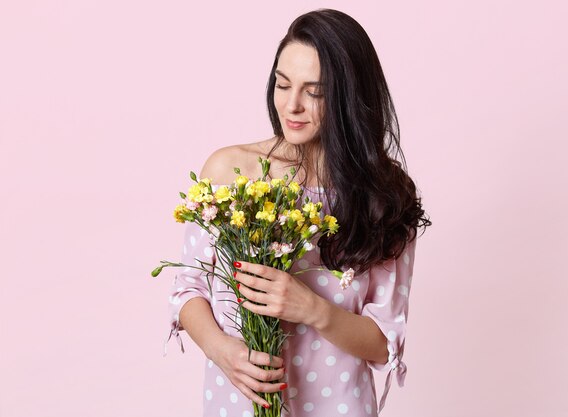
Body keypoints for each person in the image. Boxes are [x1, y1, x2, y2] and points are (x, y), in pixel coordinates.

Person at [164, 8, 431, 417]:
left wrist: (311, 308)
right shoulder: (231, 172)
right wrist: (224, 352)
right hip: (238, 402)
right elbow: (189, 291)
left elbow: (382, 341)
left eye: (315, 92)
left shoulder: (383, 195)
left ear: (347, 96)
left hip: (338, 406)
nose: (292, 105)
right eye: (282, 84)